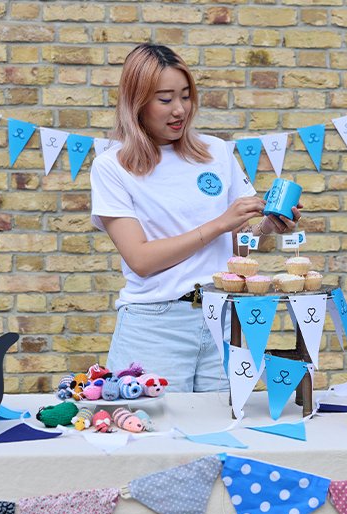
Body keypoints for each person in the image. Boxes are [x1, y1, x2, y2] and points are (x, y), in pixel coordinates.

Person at [90, 44, 301, 392]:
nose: (179, 110)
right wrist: (220, 223)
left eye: (186, 96)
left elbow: (237, 248)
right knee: (151, 439)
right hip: (154, 327)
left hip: (221, 320)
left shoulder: (215, 152)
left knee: (224, 433)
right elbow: (141, 260)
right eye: (165, 99)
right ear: (136, 102)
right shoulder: (113, 167)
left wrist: (266, 228)